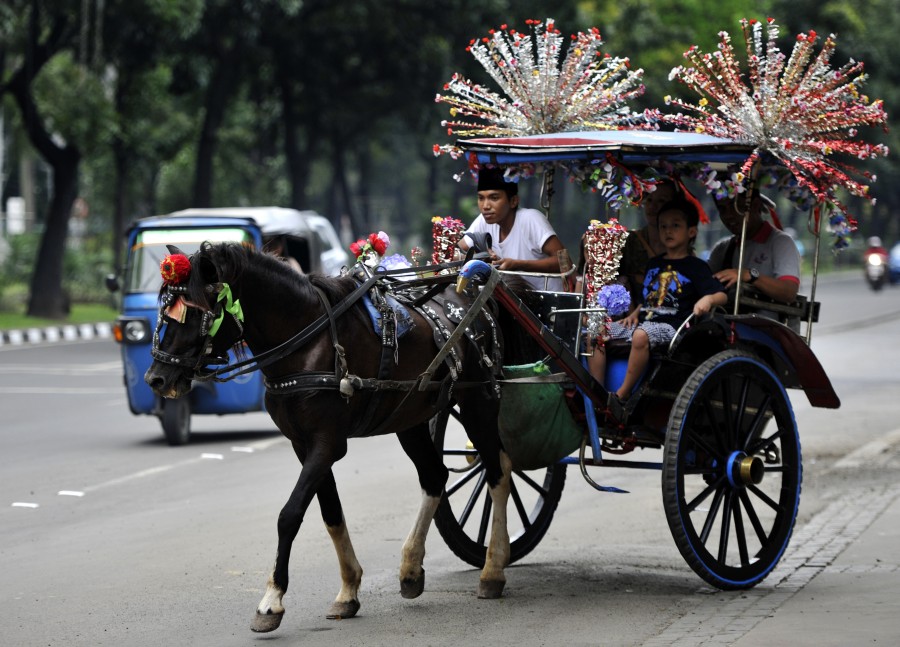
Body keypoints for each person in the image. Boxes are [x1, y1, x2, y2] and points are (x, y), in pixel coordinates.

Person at [589, 198, 727, 401]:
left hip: (672, 328)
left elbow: (721, 295)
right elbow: (650, 299)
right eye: (663, 226)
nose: (668, 231)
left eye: (675, 225)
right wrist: (635, 313)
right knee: (595, 329)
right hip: (644, 323)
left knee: (641, 336)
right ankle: (596, 392)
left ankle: (621, 395)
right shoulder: (654, 263)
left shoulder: (696, 267)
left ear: (691, 232)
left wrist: (707, 300)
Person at [459, 167, 568, 291]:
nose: (485, 206)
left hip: (545, 302)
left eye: (494, 198)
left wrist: (518, 264)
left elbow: (564, 262)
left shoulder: (531, 219)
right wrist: (480, 257)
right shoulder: (484, 219)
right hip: (508, 301)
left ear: (513, 201)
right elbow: (457, 254)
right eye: (481, 198)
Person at [707, 191, 801, 313]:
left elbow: (789, 292)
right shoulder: (722, 249)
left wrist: (749, 275)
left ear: (755, 205)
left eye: (735, 207)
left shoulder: (781, 242)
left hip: (769, 329)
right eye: (722, 209)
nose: (728, 215)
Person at [616, 179, 676, 305]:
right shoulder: (629, 242)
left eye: (661, 201)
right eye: (649, 199)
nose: (653, 207)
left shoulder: (680, 248)